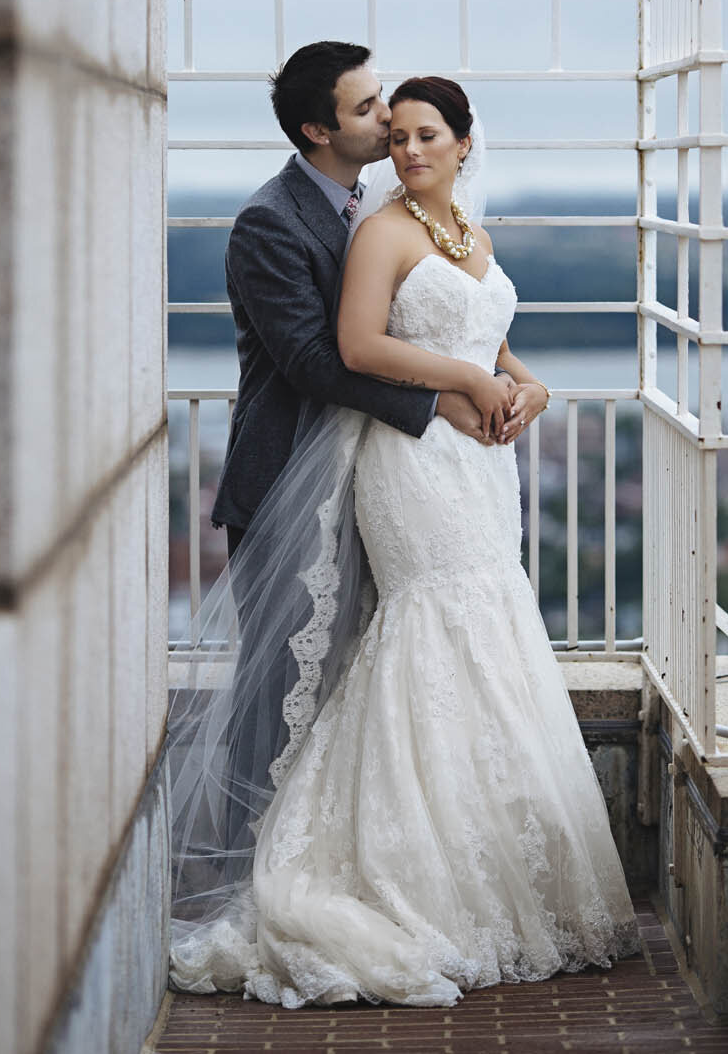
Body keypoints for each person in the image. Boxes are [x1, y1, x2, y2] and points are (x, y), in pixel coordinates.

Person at [169, 75, 640, 1005]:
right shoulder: (381, 231)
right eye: (398, 136)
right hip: (415, 461)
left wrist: (528, 388)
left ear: (467, 144)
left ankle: (495, 873)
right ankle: (406, 873)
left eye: (428, 134)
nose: (409, 148)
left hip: (480, 463)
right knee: (428, 629)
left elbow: (494, 338)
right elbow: (353, 347)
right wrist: (459, 387)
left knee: (493, 625)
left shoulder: (469, 234)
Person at [206, 43, 516, 864]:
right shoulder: (269, 223)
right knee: (280, 685)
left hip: (389, 474)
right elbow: (316, 359)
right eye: (369, 109)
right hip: (288, 479)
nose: (389, 123)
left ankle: (377, 852)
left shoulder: (380, 206)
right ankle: (245, 871)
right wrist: (447, 398)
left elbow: (451, 313)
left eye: (389, 105)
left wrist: (514, 382)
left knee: (375, 679)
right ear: (317, 129)